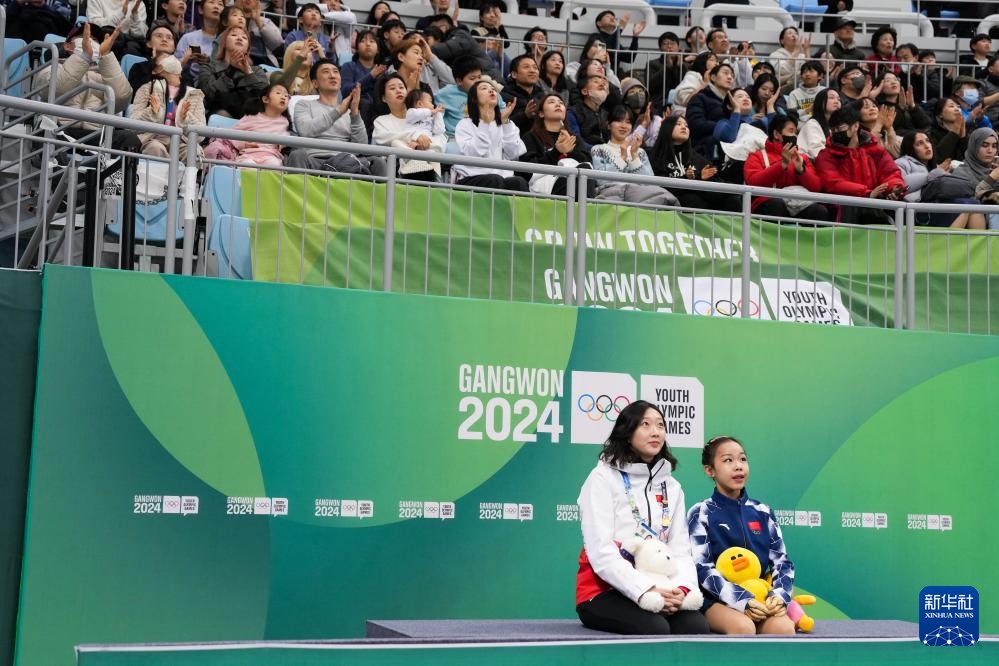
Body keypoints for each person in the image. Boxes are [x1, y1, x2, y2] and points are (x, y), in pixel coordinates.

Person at [576, 400, 709, 636]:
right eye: (645, 425)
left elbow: (680, 550)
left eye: (660, 425)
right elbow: (601, 551)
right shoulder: (602, 478)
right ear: (627, 433)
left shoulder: (672, 487)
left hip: (662, 589)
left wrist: (681, 590)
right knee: (654, 627)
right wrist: (646, 589)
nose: (655, 432)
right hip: (602, 591)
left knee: (695, 626)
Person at [687, 436, 796, 635]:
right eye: (728, 460)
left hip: (760, 597)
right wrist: (741, 599)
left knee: (783, 629)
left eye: (742, 459)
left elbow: (782, 562)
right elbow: (701, 568)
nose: (738, 466)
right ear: (710, 470)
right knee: (743, 628)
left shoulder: (763, 511)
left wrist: (780, 596)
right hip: (716, 600)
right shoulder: (700, 512)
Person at [286, 59, 386, 176]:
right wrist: (338, 111)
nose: (332, 75)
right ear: (315, 83)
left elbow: (361, 147)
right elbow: (305, 130)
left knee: (378, 162)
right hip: (315, 161)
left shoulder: (349, 112)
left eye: (335, 72)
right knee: (297, 155)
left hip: (347, 163)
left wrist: (355, 114)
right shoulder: (304, 105)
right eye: (326, 72)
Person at [815, 105, 906, 223]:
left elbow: (890, 173)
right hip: (844, 206)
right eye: (833, 129)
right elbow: (833, 183)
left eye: (840, 127)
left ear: (856, 126)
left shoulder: (875, 150)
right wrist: (866, 193)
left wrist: (894, 188)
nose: (836, 132)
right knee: (851, 205)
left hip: (874, 202)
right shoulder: (826, 155)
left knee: (904, 206)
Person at [744, 114, 829, 221]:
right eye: (791, 131)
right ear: (776, 134)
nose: (795, 136)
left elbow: (816, 187)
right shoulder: (757, 156)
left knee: (819, 211)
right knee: (776, 205)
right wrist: (781, 165)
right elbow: (753, 183)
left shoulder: (802, 157)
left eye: (796, 132)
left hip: (799, 203)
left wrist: (801, 171)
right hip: (769, 203)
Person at [590, 105, 678, 205]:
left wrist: (634, 156)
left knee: (666, 197)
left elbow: (651, 183)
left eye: (628, 122)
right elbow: (601, 181)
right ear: (608, 125)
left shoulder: (639, 152)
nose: (623, 126)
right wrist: (622, 158)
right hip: (611, 194)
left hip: (637, 196)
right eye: (619, 121)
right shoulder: (598, 149)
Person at [648, 115, 737, 211]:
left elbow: (713, 183)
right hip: (673, 202)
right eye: (678, 124)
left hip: (704, 201)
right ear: (667, 128)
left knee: (732, 200)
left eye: (686, 125)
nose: (684, 127)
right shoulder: (656, 155)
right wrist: (690, 178)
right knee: (692, 200)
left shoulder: (696, 157)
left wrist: (703, 179)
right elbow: (662, 186)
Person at [452, 80, 527, 191]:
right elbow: (474, 153)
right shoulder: (465, 124)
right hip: (470, 178)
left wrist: (505, 123)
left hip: (500, 179)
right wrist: (485, 125)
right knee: (494, 180)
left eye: (492, 89)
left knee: (518, 182)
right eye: (484, 88)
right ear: (474, 99)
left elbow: (513, 154)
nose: (491, 90)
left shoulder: (506, 124)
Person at [130, 53, 205, 160]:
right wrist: (152, 114)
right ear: (156, 70)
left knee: (192, 153)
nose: (172, 58)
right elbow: (133, 125)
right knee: (155, 149)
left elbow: (201, 136)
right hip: (153, 139)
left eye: (171, 56)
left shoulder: (194, 94)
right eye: (165, 58)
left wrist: (185, 120)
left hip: (182, 142)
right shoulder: (146, 89)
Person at [921, 127, 995, 229]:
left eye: (994, 146)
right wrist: (991, 179)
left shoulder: (994, 171)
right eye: (984, 145)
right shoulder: (961, 172)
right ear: (974, 146)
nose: (990, 151)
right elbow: (971, 202)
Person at [519, 93, 591, 195]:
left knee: (585, 170)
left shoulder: (573, 138)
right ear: (541, 113)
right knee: (567, 178)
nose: (558, 105)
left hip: (572, 181)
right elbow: (527, 169)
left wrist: (571, 151)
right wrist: (556, 152)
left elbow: (588, 161)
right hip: (544, 186)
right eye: (551, 102)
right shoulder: (530, 137)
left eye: (561, 103)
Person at [372, 81, 446, 181]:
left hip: (429, 161)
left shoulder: (428, 118)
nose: (398, 91)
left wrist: (423, 144)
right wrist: (415, 136)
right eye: (392, 88)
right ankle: (413, 159)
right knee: (396, 142)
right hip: (401, 170)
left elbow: (441, 137)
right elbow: (383, 138)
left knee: (436, 148)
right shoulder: (381, 120)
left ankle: (435, 178)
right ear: (384, 98)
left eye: (401, 87)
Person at [199, 25, 270, 118]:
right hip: (218, 114)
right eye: (234, 35)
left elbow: (266, 97)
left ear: (248, 48)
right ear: (224, 43)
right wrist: (230, 71)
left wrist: (249, 73)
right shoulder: (209, 67)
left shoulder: (257, 70)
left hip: (250, 116)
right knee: (223, 115)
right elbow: (208, 93)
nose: (239, 38)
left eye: (244, 37)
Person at [230, 82, 291, 167]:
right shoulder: (252, 117)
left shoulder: (285, 122)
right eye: (278, 93)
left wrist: (283, 144)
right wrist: (243, 144)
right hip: (249, 155)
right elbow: (232, 134)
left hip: (271, 156)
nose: (283, 97)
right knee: (247, 165)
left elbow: (285, 136)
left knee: (274, 164)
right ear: (265, 99)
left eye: (286, 96)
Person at [685, 62, 736, 163]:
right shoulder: (700, 97)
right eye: (725, 73)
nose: (730, 77)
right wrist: (723, 127)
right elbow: (695, 123)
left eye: (732, 75)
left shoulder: (733, 103)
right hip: (706, 148)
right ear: (713, 77)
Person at [176, 0, 223, 85]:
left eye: (220, 4)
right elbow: (174, 67)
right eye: (211, 2)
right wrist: (186, 61)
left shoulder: (227, 40)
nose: (216, 6)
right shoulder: (188, 38)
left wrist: (210, 62)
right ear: (201, 9)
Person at [589, 9, 645, 74]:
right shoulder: (595, 36)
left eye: (613, 17)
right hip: (599, 73)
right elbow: (602, 48)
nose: (612, 18)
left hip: (613, 75)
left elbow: (630, 58)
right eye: (608, 16)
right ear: (599, 23)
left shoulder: (615, 41)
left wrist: (635, 37)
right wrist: (620, 28)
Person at [501, 54, 545, 135]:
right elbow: (500, 125)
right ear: (514, 74)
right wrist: (525, 115)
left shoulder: (542, 96)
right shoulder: (503, 97)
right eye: (526, 67)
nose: (532, 71)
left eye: (535, 67)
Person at [341, 29, 387, 105]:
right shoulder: (348, 66)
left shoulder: (381, 71)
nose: (368, 44)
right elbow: (345, 91)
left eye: (372, 41)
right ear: (357, 49)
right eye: (363, 41)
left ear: (378, 50)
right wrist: (371, 76)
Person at [567, 75, 611, 149]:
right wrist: (597, 150)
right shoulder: (573, 112)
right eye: (596, 82)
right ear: (585, 91)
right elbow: (576, 141)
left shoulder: (606, 114)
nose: (602, 84)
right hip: (584, 154)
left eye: (603, 83)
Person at [797, 88, 840, 159]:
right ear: (820, 102)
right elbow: (817, 152)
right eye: (831, 98)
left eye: (838, 99)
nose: (836, 101)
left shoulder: (836, 125)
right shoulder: (812, 124)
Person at [672, 52, 717, 117]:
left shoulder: (717, 80)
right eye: (712, 60)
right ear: (702, 62)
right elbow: (687, 101)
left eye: (716, 61)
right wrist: (704, 84)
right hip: (688, 113)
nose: (716, 63)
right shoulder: (692, 76)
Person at [769, 26, 811, 94]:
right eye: (790, 33)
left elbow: (810, 70)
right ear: (782, 41)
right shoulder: (775, 55)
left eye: (796, 33)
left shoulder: (802, 56)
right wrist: (796, 51)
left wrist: (807, 50)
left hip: (801, 87)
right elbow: (782, 70)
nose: (794, 35)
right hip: (782, 87)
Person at [647, 32, 682, 113]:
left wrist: (680, 67)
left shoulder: (685, 65)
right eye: (665, 44)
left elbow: (685, 84)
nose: (669, 46)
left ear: (678, 47)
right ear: (660, 48)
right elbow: (650, 85)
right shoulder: (653, 64)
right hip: (659, 101)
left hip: (679, 101)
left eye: (672, 43)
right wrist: (667, 68)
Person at [929, 97, 971, 162]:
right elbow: (936, 158)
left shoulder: (966, 132)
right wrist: (954, 133)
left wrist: (963, 137)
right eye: (951, 106)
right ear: (940, 114)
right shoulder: (933, 134)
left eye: (958, 107)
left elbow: (971, 158)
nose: (957, 109)